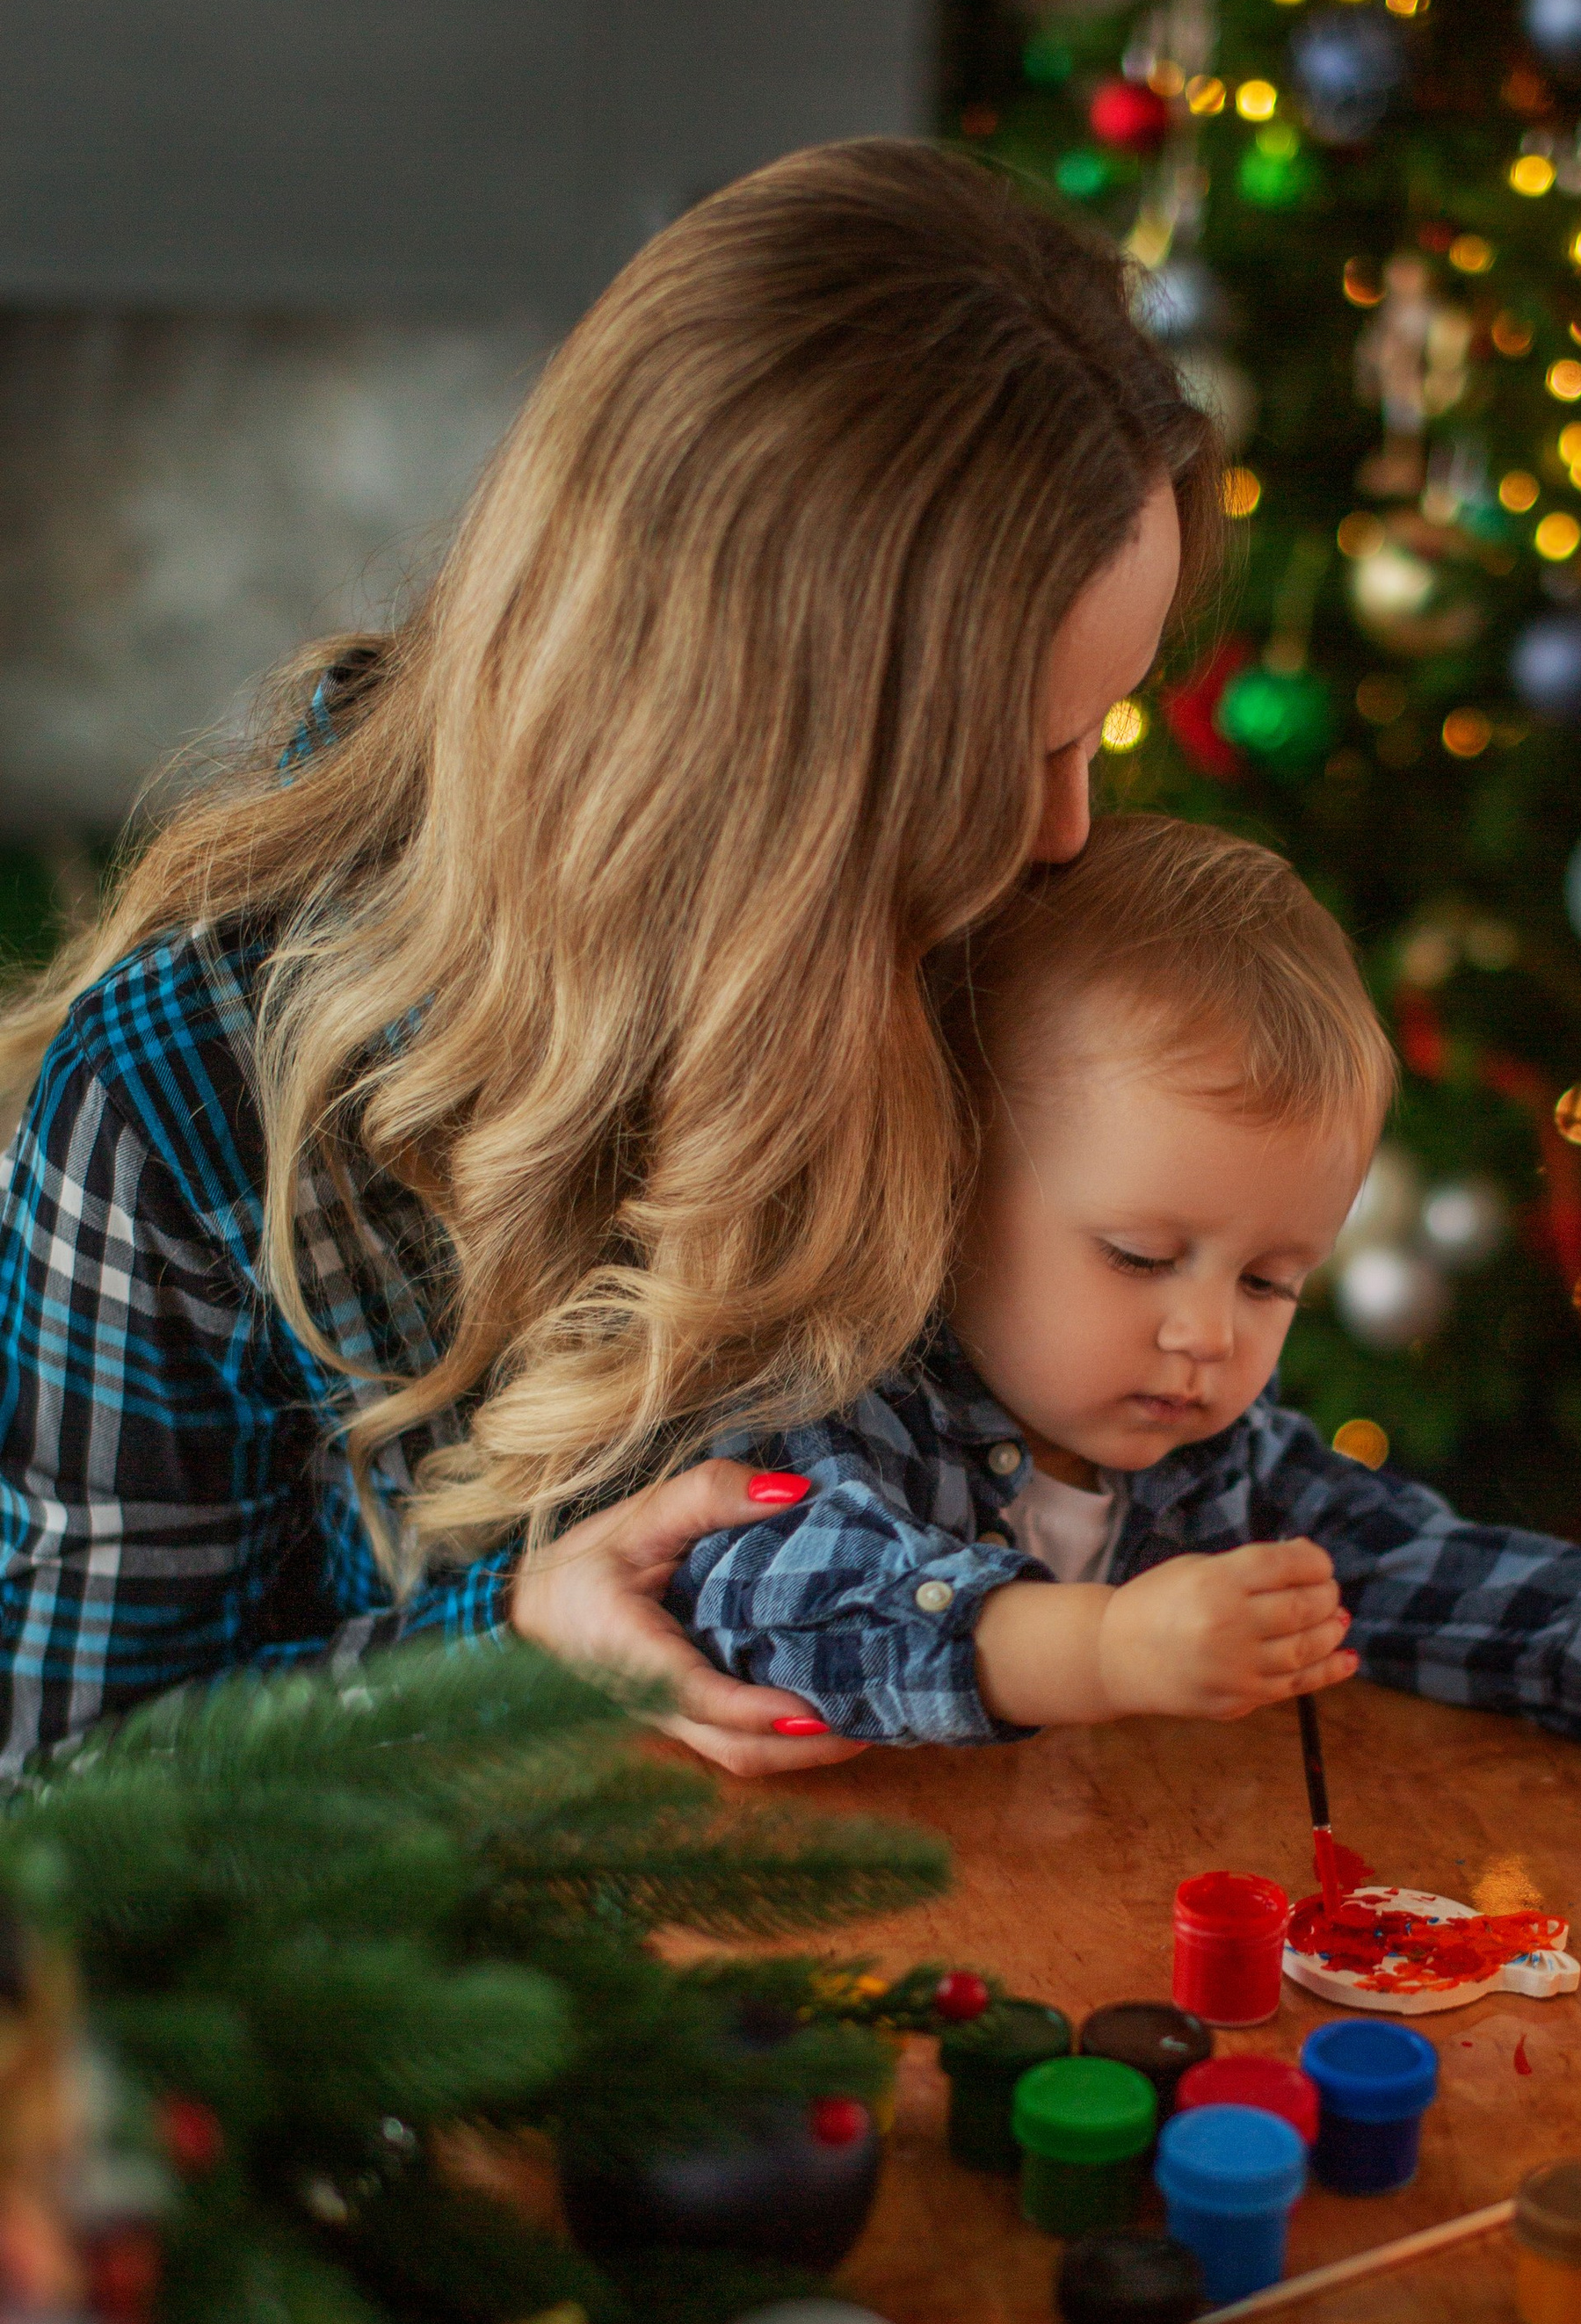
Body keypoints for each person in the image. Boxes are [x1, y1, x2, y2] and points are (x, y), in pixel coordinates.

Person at [0, 145, 1222, 1775]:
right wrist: (509, 1649)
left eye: (1099, 733)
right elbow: (71, 1799)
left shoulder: (983, 947)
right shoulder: (181, 1104)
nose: (1070, 833)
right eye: (1018, 750)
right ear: (755, 764)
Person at [672, 819, 1581, 1811]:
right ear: (947, 1184)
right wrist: (1107, 1651)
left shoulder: (1225, 1464)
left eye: (1270, 1281)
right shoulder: (842, 1398)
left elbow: (1432, 1577)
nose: (1211, 1335)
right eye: (1141, 1255)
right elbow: (775, 1609)